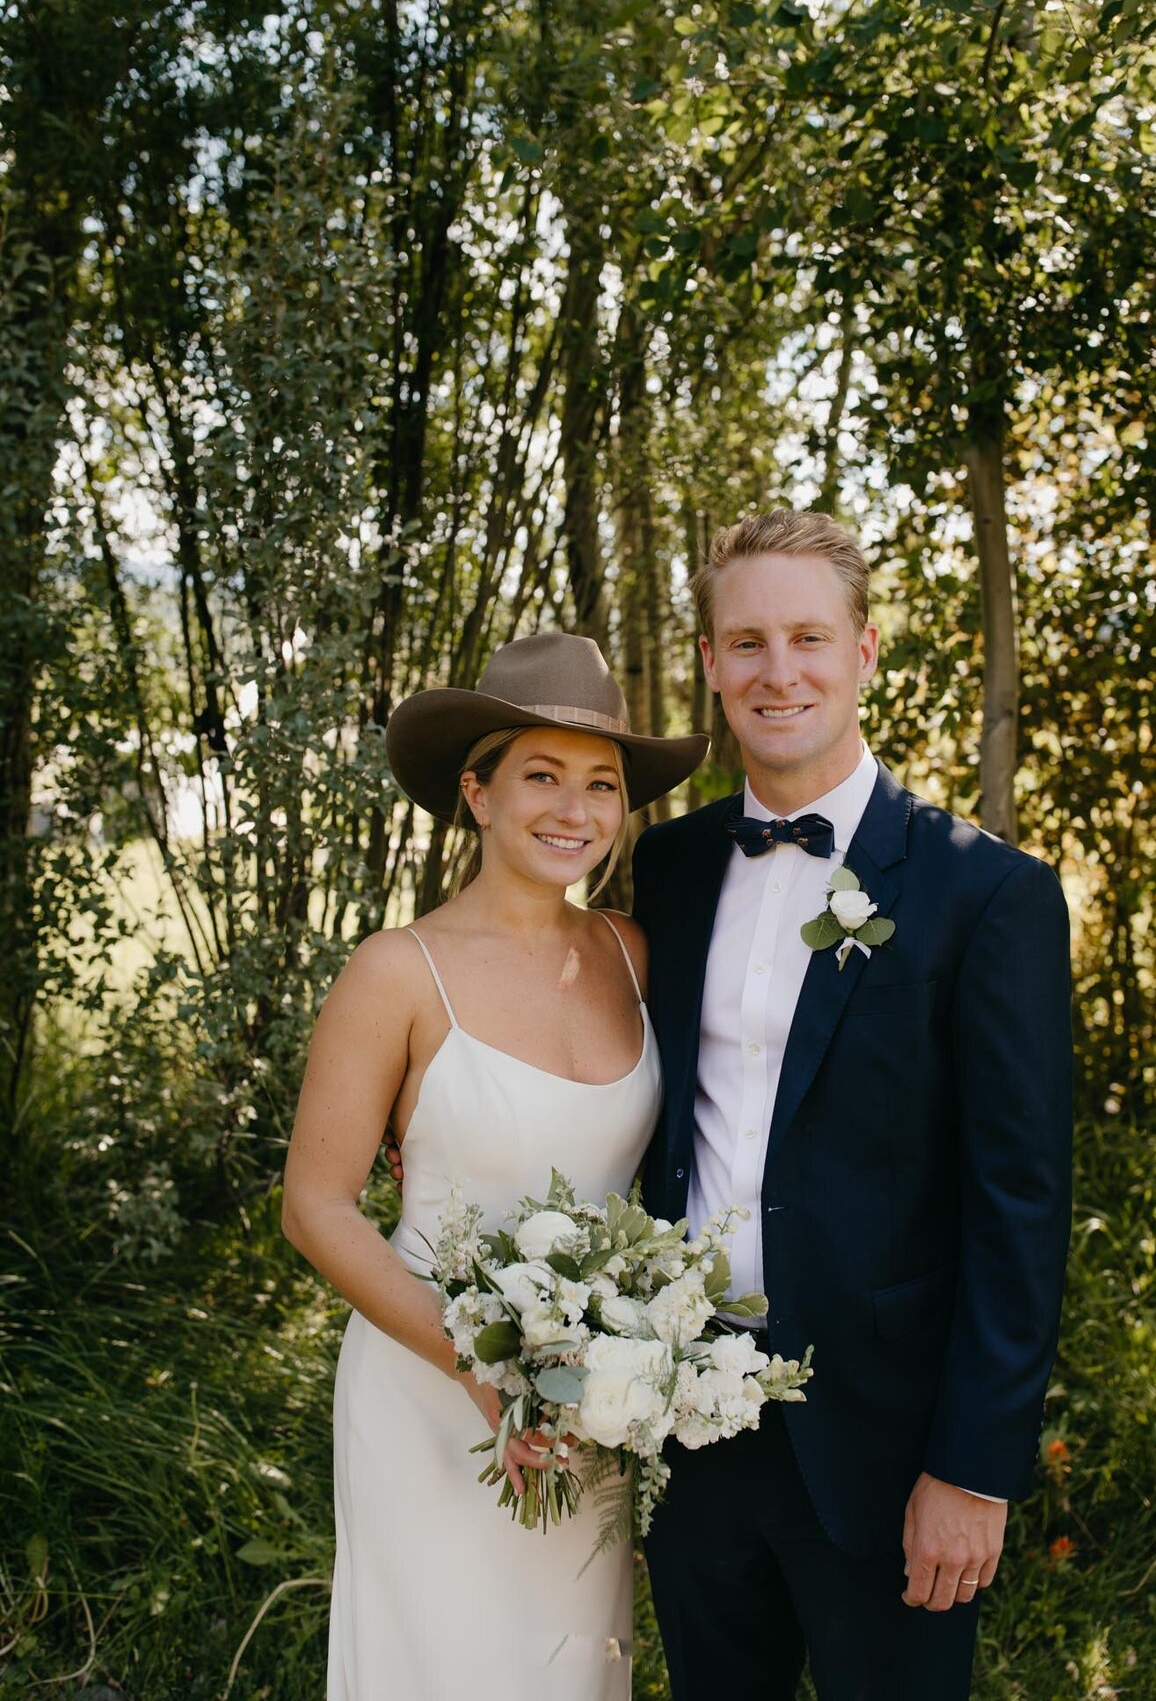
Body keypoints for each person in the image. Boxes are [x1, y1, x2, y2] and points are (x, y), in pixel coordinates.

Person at [632, 509, 1073, 1700]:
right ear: (714, 665)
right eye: (748, 642)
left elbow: (1020, 1207)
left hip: (890, 1450)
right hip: (690, 1424)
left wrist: (974, 1472)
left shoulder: (989, 894)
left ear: (866, 652)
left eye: (809, 638)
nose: (781, 672)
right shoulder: (664, 873)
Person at [281, 631, 707, 1701]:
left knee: (567, 1667)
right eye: (542, 776)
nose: (576, 810)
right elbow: (317, 1208)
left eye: (601, 784)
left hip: (584, 1400)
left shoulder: (629, 952)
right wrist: (483, 1371)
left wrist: (617, 1365)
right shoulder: (396, 972)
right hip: (430, 1396)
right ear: (477, 793)